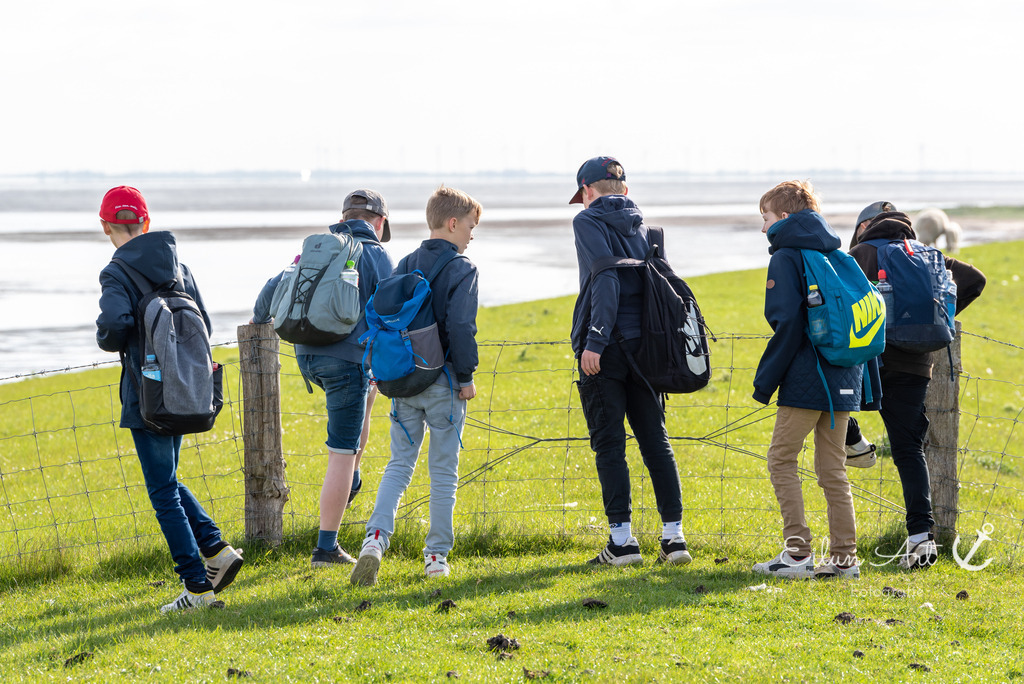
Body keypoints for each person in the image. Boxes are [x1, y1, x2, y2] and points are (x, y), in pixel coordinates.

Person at [95, 186, 243, 612]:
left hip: (147, 393)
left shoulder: (116, 272)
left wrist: (112, 338)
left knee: (162, 488)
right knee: (169, 477)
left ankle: (197, 587)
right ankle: (215, 549)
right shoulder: (179, 266)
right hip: (187, 388)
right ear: (146, 221)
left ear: (106, 226)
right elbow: (206, 325)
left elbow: (113, 325)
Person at [252, 189, 395, 567]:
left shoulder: (320, 248)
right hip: (346, 360)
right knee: (342, 453)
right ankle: (325, 548)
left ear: (345, 215)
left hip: (308, 353)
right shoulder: (376, 254)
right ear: (379, 222)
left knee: (358, 422)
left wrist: (257, 320)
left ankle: (354, 480)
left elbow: (273, 288)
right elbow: (393, 307)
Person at [350, 186, 482, 586]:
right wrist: (467, 376)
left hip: (402, 381)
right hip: (442, 381)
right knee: (443, 472)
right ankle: (436, 557)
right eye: (471, 227)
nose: (472, 235)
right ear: (453, 223)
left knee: (398, 465)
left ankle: (374, 540)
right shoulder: (463, 268)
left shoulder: (405, 261)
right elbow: (461, 327)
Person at [847, 203, 986, 569]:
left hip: (870, 360)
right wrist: (941, 316)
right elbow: (975, 280)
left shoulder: (862, 252)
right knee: (909, 450)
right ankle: (921, 539)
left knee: (832, 410)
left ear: (865, 226)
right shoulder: (930, 255)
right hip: (915, 363)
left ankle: (857, 445)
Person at [569, 156, 692, 567]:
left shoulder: (587, 221)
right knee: (655, 441)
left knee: (609, 444)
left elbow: (604, 277)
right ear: (623, 187)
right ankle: (674, 539)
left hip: (608, 349)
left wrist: (595, 341)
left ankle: (622, 543)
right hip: (647, 348)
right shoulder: (641, 223)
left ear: (587, 190)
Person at [752, 180, 862, 580]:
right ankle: (845, 558)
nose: (763, 228)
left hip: (804, 377)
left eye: (765, 218)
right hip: (847, 374)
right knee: (832, 469)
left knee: (781, 460)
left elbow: (787, 325)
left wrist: (764, 384)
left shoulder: (786, 257)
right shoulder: (836, 252)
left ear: (783, 217)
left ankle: (797, 552)